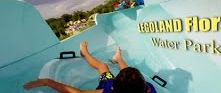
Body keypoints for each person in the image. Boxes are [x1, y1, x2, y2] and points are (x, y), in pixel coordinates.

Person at [24, 42, 156, 93]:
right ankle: (118, 58)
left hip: (107, 85)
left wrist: (47, 81)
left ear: (114, 86)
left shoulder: (107, 90)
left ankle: (85, 53)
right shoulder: (149, 89)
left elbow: (78, 92)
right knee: (127, 75)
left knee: (102, 66)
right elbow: (130, 79)